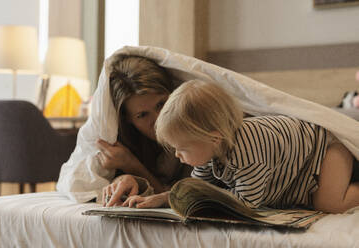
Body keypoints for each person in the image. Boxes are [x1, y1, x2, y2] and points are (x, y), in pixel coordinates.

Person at [123, 79, 359, 214]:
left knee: (327, 204)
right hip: (303, 166)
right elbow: (196, 188)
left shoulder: (250, 152)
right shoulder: (212, 149)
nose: (177, 155)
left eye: (181, 149)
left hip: (328, 151)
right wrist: (163, 198)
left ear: (213, 138)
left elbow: (244, 204)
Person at [97, 54, 192, 207]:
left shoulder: (198, 129)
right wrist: (121, 181)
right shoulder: (125, 142)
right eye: (142, 115)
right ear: (128, 119)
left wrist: (133, 166)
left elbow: (190, 198)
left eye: (161, 104)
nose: (159, 119)